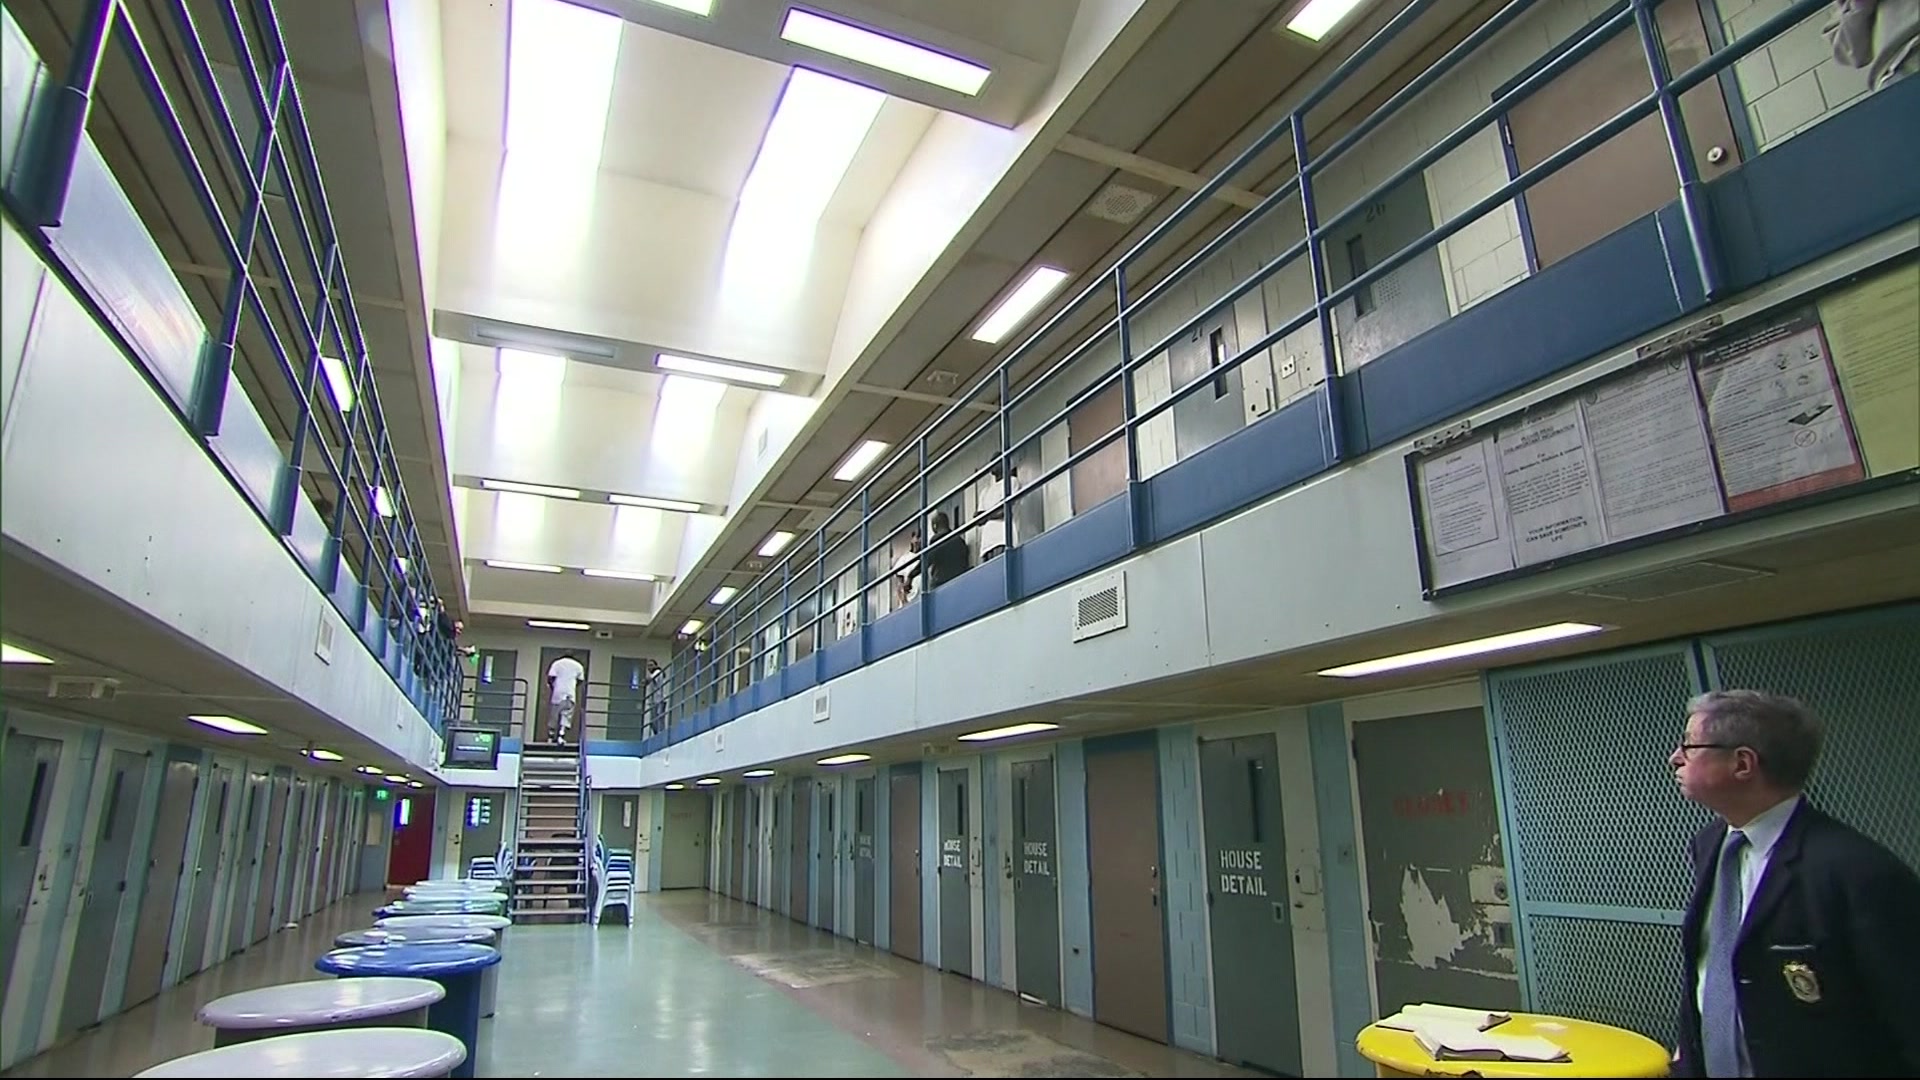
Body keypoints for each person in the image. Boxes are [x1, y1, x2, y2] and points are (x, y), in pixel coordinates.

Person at [1668, 689, 1920, 1077]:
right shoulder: (1711, 845)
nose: (1675, 757)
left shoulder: (1859, 871)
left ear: (1742, 763)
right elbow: (1708, 975)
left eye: (1689, 744)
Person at [545, 652, 585, 743]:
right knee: (567, 714)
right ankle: (561, 734)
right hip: (570, 693)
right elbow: (580, 680)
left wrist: (552, 687)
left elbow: (550, 677)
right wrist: (573, 686)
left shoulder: (557, 663)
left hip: (557, 692)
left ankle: (550, 736)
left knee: (554, 714)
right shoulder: (578, 666)